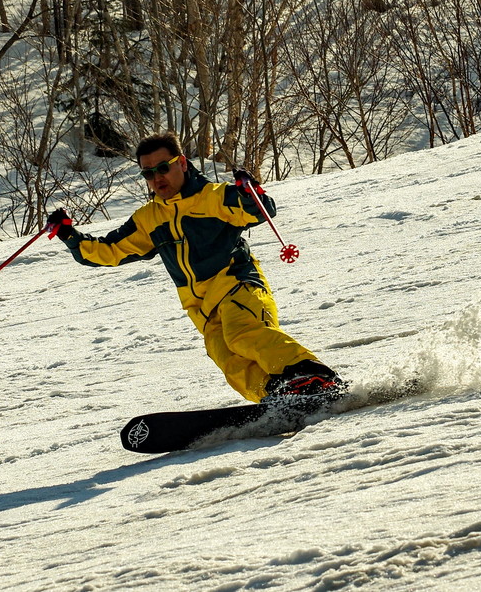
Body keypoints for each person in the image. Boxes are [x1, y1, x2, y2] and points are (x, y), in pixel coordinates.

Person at [47, 132, 343, 405]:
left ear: (182, 163)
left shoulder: (212, 197)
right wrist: (68, 235)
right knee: (227, 358)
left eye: (163, 168)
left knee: (244, 335)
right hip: (202, 309)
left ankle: (314, 377)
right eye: (148, 173)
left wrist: (248, 191)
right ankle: (277, 395)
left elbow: (259, 210)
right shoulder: (149, 218)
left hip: (237, 286)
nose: (157, 178)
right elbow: (109, 251)